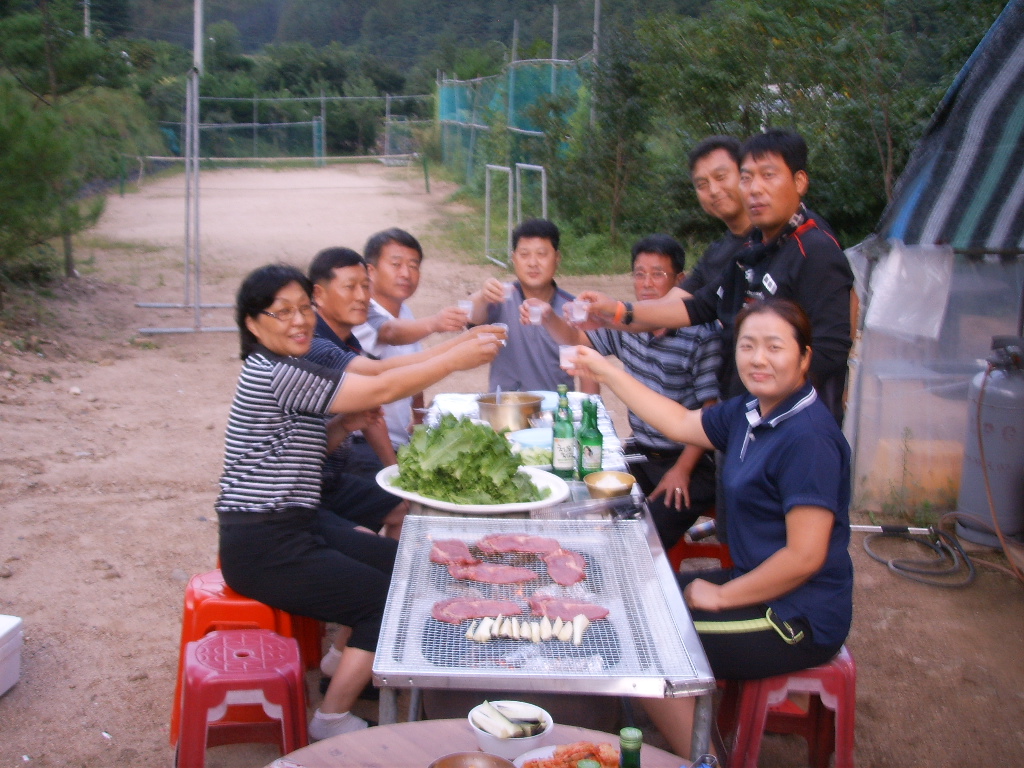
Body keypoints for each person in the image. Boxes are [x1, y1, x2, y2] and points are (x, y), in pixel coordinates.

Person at [216, 264, 501, 741]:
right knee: (386, 601)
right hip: (263, 543)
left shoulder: (292, 364)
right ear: (252, 323)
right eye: (282, 312)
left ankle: (339, 659)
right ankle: (331, 718)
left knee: (402, 564)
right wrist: (455, 360)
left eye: (304, 308)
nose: (299, 320)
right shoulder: (274, 372)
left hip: (296, 522)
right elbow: (384, 385)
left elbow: (307, 440)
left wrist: (343, 427)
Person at [565, 298, 853, 758]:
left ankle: (706, 761)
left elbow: (805, 556)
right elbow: (680, 421)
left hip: (796, 617)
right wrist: (608, 372)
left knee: (640, 640)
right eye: (748, 346)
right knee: (635, 601)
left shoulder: (809, 439)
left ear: (804, 357)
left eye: (774, 347)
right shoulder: (751, 412)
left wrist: (720, 596)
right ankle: (688, 733)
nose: (758, 359)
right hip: (758, 586)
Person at [578, 130, 853, 426]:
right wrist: (618, 310)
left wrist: (767, 401)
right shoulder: (750, 248)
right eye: (748, 178)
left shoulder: (814, 248)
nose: (755, 189)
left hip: (792, 428)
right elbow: (697, 306)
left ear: (799, 181)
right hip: (742, 415)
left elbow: (830, 351)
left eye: (768, 175)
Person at [532, 234, 721, 549]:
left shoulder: (701, 335)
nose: (646, 283)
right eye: (639, 274)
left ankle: (646, 584)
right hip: (642, 450)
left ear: (680, 281)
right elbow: (577, 340)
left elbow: (711, 410)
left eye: (658, 274)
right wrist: (548, 315)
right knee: (587, 497)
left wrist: (682, 470)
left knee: (643, 537)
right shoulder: (628, 325)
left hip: (691, 461)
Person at [353, 228, 470, 451]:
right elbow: (390, 333)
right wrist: (435, 323)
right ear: (371, 271)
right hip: (365, 443)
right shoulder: (361, 311)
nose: (406, 274)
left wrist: (417, 421)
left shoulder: (405, 312)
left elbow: (415, 369)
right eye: (396, 265)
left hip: (399, 441)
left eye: (413, 266)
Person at [467, 217, 598, 394]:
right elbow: (473, 319)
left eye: (542, 254)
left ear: (557, 257)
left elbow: (587, 372)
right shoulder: (499, 298)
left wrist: (589, 412)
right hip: (506, 408)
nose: (533, 263)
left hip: (556, 411)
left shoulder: (572, 308)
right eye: (524, 254)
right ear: (514, 258)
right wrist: (482, 296)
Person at [682, 136, 752, 294]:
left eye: (721, 177)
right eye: (702, 185)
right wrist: (620, 310)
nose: (713, 190)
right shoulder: (714, 254)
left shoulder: (776, 242)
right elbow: (679, 301)